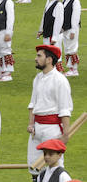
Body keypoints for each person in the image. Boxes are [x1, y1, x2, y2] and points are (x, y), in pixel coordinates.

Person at [27, 45, 72, 175]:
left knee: (54, 167)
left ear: (49, 59)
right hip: (36, 130)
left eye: (39, 56)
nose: (36, 59)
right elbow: (32, 104)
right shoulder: (37, 79)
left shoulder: (60, 80)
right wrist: (31, 124)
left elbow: (65, 109)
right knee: (33, 166)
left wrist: (65, 134)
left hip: (52, 130)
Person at [60, 0, 81, 76]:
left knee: (72, 48)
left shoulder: (75, 1)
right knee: (67, 48)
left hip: (72, 28)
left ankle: (74, 69)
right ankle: (71, 68)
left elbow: (75, 17)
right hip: (66, 28)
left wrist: (73, 30)